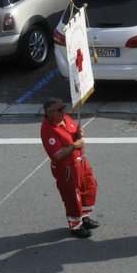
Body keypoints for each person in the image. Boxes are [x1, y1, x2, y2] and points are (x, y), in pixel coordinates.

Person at [40, 99, 98, 237]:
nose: (64, 111)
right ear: (50, 113)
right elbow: (57, 155)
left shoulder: (64, 118)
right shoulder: (48, 130)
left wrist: (79, 133)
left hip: (80, 161)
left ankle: (84, 216)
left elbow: (73, 133)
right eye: (60, 110)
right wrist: (74, 146)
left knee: (89, 187)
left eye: (64, 107)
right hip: (67, 168)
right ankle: (75, 225)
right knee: (72, 196)